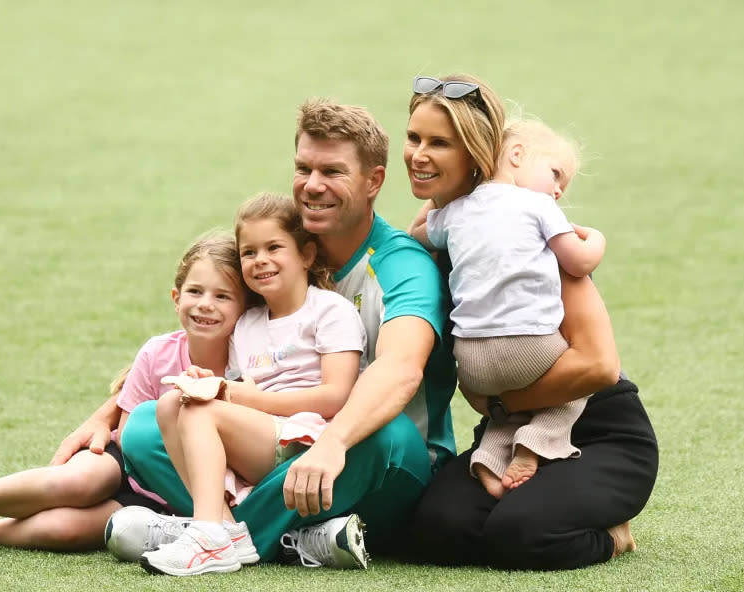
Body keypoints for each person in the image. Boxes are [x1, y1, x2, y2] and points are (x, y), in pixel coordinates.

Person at [60, 98, 460, 564]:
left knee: (385, 437)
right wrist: (113, 408)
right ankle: (288, 539)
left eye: (332, 171)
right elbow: (214, 342)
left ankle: (214, 530)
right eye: (303, 168)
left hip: (372, 458)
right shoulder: (275, 253)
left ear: (373, 182)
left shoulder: (400, 266)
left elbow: (399, 371)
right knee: (148, 423)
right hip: (279, 443)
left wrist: (332, 443)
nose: (312, 186)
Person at [401, 73, 659, 569]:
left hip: (594, 423)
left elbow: (600, 367)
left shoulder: (534, 237)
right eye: (414, 139)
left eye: (440, 143)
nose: (419, 154)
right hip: (507, 420)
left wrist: (499, 398)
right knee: (438, 530)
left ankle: (613, 535)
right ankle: (520, 483)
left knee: (520, 535)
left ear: (478, 151)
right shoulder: (453, 229)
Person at [0, 234, 248, 550]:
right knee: (78, 482)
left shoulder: (247, 363)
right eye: (195, 292)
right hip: (131, 467)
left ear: (245, 307)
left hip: (180, 499)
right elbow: (134, 438)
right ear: (176, 297)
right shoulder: (159, 351)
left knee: (65, 531)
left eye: (222, 296)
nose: (205, 306)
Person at [139, 193, 367, 576]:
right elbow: (234, 388)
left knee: (199, 413)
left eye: (274, 247)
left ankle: (209, 534)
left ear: (306, 256)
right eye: (249, 252)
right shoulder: (247, 325)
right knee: (170, 405)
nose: (260, 259)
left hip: (308, 437)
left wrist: (244, 398)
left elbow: (337, 396)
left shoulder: (329, 310)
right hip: (262, 435)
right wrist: (207, 383)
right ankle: (222, 531)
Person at [409, 115, 607, 499]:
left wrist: (440, 198)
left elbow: (418, 235)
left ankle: (489, 457)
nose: (559, 190)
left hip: (471, 363)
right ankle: (535, 443)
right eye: (556, 174)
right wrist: (595, 238)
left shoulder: (455, 212)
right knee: (569, 391)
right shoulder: (536, 206)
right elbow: (580, 263)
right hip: (529, 348)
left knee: (509, 408)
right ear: (516, 155)